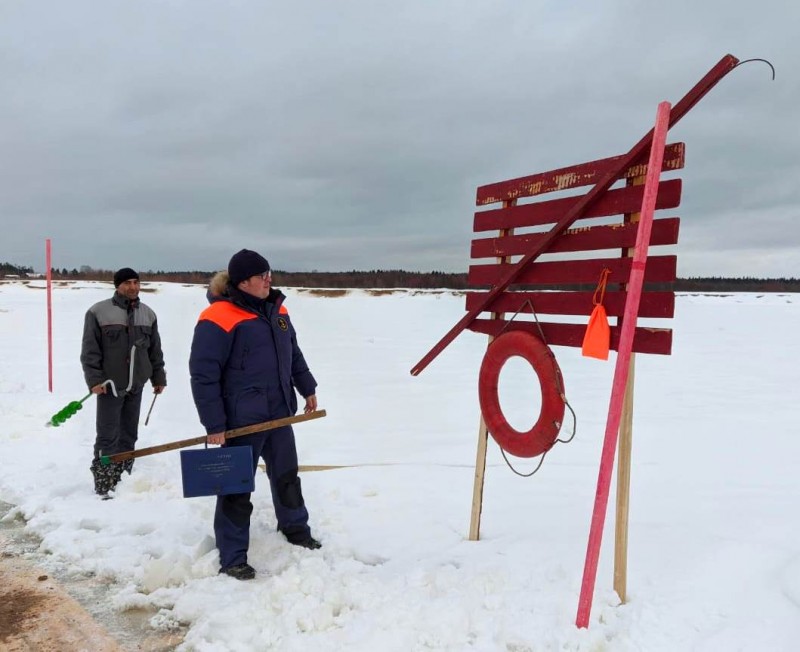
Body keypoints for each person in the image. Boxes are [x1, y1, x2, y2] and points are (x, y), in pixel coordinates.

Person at [189, 249, 321, 581]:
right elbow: (204, 374)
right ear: (244, 282)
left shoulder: (278, 310)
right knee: (235, 489)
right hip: (241, 421)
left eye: (269, 274)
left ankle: (295, 528)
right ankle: (233, 556)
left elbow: (294, 353)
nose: (269, 280)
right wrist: (214, 424)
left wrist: (307, 387)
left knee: (287, 475)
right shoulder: (218, 316)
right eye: (262, 276)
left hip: (279, 414)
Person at [80, 268, 167, 497]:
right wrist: (94, 380)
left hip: (136, 384)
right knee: (108, 436)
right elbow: (90, 351)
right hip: (110, 386)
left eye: (136, 282)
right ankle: (104, 483)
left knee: (129, 434)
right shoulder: (98, 312)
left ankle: (124, 479)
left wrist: (158, 377)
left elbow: (154, 351)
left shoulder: (148, 314)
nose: (133, 287)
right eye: (127, 283)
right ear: (117, 285)